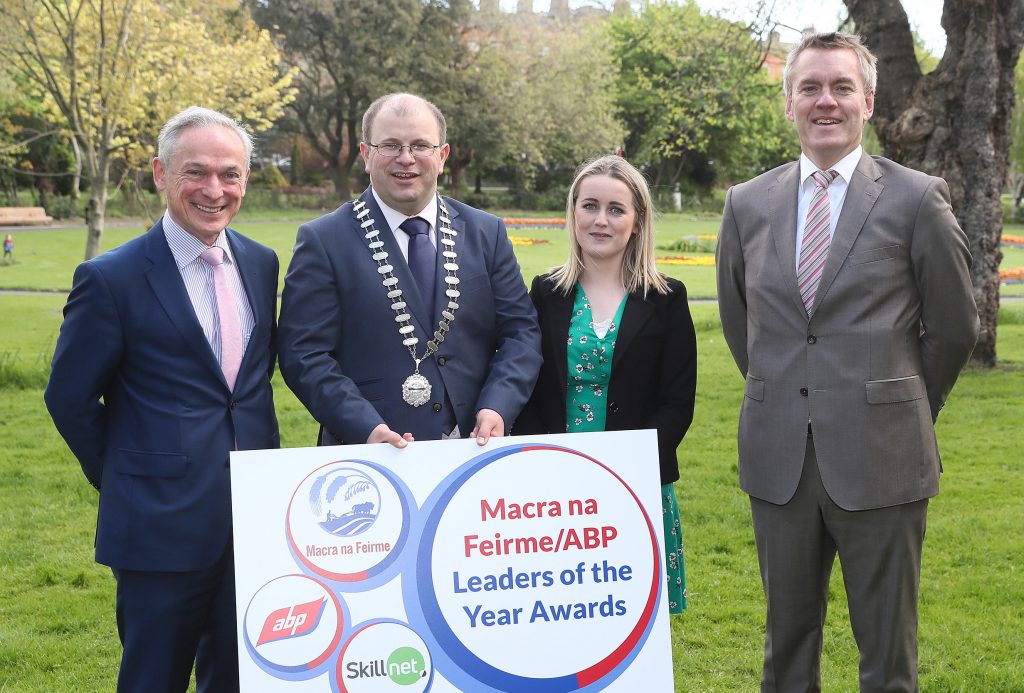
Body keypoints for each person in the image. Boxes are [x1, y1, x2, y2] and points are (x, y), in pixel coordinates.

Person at [716, 32, 979, 691]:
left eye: (840, 87)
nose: (824, 101)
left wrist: (903, 404)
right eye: (809, 87)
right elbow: (740, 322)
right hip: (779, 461)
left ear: (867, 99)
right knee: (786, 657)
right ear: (788, 104)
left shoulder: (918, 198)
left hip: (884, 459)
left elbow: (953, 327)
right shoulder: (746, 204)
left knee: (889, 659)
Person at [44, 106, 280, 693]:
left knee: (242, 678)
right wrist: (128, 478)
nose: (214, 189)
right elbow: (68, 398)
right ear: (159, 173)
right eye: (195, 172)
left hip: (255, 520)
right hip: (157, 528)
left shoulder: (261, 262)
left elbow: (245, 385)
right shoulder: (111, 277)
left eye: (230, 174)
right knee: (154, 678)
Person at [279, 93, 541, 448]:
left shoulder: (486, 232)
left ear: (442, 155)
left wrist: (498, 406)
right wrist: (364, 426)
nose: (406, 159)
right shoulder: (323, 240)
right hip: (371, 455)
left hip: (474, 446)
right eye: (390, 146)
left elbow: (521, 334)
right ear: (366, 155)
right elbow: (304, 355)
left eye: (420, 146)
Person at [515, 155, 697, 614]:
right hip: (553, 486)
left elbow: (676, 402)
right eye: (590, 206)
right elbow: (527, 389)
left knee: (632, 622)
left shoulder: (666, 298)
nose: (601, 220)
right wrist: (545, 464)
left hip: (636, 484)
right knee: (559, 613)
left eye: (616, 209)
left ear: (636, 223)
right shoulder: (545, 292)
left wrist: (625, 469)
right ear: (572, 213)